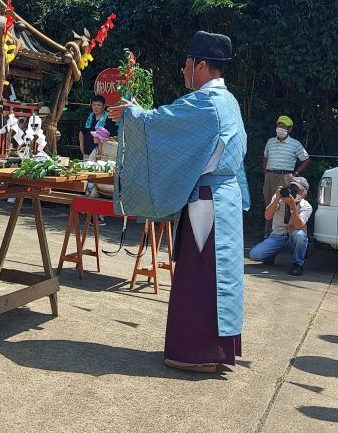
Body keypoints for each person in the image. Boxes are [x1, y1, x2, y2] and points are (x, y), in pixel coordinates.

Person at [109, 30, 250, 373]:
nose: (184, 71)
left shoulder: (206, 102)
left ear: (201, 66)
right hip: (224, 198)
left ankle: (198, 352)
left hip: (207, 201)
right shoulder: (228, 101)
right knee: (219, 274)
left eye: (187, 65)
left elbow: (162, 125)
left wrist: (131, 115)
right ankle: (218, 348)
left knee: (201, 275)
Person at [250, 176, 312, 276]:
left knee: (300, 236)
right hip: (277, 237)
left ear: (304, 193)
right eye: (292, 188)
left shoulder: (306, 206)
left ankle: (298, 264)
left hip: (293, 238)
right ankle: (271, 253)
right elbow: (267, 216)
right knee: (254, 255)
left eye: (297, 190)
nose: (294, 192)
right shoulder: (278, 198)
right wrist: (277, 199)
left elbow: (298, 225)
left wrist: (292, 206)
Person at [262, 116, 310, 235]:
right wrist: (265, 171)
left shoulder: (295, 144)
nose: (280, 128)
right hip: (270, 175)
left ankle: (283, 233)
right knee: (269, 203)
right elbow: (265, 156)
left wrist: (295, 174)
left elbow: (306, 159)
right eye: (279, 125)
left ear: (290, 129)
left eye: (284, 127)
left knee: (284, 204)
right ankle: (268, 233)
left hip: (285, 176)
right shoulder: (270, 142)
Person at [79, 94, 118, 224]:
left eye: (99, 105)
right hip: (88, 153)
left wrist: (102, 145)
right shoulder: (90, 117)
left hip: (101, 156)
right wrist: (81, 147)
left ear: (103, 106)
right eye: (94, 105)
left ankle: (97, 214)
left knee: (96, 184)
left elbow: (113, 137)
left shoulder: (109, 119)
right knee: (87, 181)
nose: (96, 107)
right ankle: (87, 209)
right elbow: (82, 132)